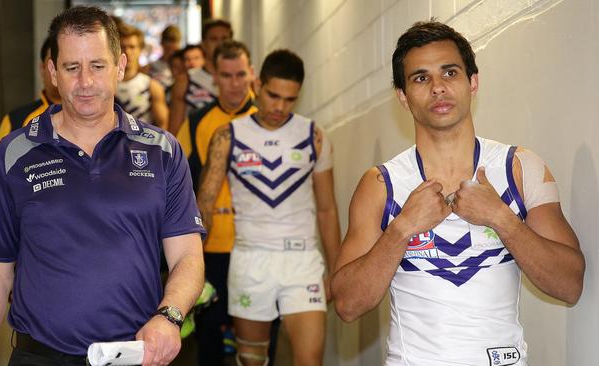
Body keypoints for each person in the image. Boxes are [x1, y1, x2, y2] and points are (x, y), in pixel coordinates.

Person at [331, 21, 585, 366]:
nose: (437, 87)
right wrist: (402, 228)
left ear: (473, 82)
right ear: (403, 97)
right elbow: (346, 305)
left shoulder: (519, 169)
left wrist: (501, 218)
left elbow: (569, 285)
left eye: (449, 73)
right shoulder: (381, 184)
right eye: (421, 78)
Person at [0, 6, 205, 366]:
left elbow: (187, 255)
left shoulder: (162, 151)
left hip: (133, 355)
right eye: (72, 68)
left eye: (97, 65)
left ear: (120, 66)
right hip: (40, 357)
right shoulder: (16, 152)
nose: (85, 82)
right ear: (53, 72)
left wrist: (169, 316)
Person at [197, 49, 341, 366]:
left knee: (310, 360)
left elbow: (328, 210)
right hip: (250, 259)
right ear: (258, 84)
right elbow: (203, 206)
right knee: (252, 360)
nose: (279, 107)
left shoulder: (314, 137)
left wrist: (338, 270)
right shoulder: (227, 136)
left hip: (302, 260)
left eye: (290, 99)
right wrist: (193, 269)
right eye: (273, 95)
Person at [176, 39, 256, 366]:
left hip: (256, 247)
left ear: (251, 74)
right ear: (215, 78)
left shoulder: (268, 118)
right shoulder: (197, 121)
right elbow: (176, 178)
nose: (234, 83)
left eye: (240, 75)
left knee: (257, 336)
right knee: (209, 334)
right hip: (211, 248)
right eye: (226, 75)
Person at [0, 37, 61, 186]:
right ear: (42, 68)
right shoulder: (16, 119)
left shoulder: (97, 117)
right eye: (52, 63)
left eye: (67, 64)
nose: (57, 70)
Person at [168, 19, 232, 135]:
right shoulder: (186, 80)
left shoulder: (240, 79)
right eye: (214, 39)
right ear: (203, 44)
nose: (220, 44)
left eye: (224, 38)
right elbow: (174, 130)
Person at [116, 21, 169, 130]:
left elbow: (163, 126)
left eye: (132, 47)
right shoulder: (104, 84)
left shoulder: (151, 86)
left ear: (140, 50)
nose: (127, 52)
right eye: (122, 47)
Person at [144, 25, 181, 92]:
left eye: (175, 41)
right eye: (169, 41)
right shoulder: (150, 67)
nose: (172, 45)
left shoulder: (184, 66)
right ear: (162, 42)